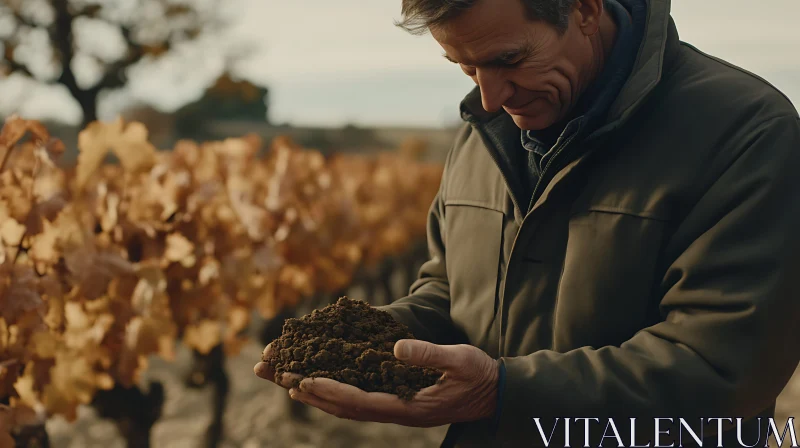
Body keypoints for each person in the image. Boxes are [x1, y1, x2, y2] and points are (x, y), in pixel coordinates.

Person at [255, 0, 800, 446]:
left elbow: (724, 368)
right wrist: (369, 342)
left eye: (509, 60)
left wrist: (503, 393)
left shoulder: (745, 132)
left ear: (584, 10)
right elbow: (451, 292)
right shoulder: (480, 134)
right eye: (466, 68)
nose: (489, 98)